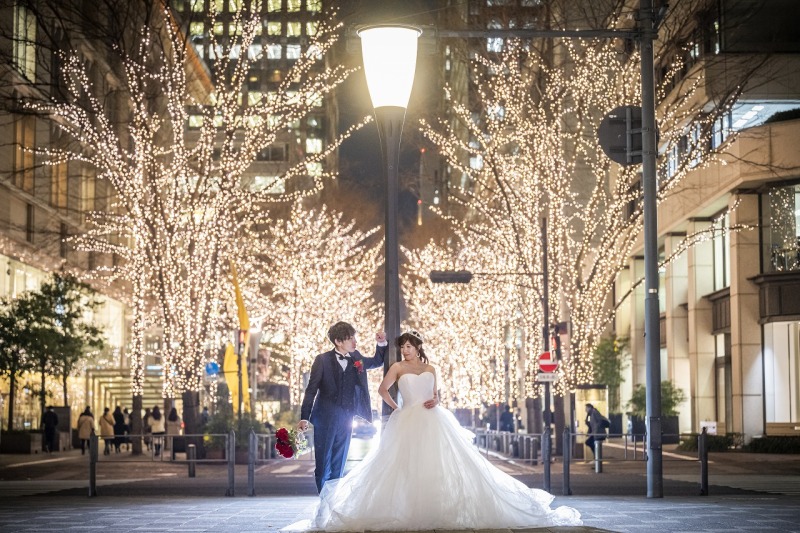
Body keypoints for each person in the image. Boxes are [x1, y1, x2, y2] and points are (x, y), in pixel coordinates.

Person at [284, 330, 581, 531]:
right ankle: (347, 506)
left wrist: (437, 399)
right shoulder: (397, 368)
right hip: (407, 419)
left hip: (434, 418)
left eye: (409, 346)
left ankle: (442, 506)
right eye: (403, 346)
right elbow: (382, 389)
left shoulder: (431, 369)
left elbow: (435, 393)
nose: (406, 350)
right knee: (398, 466)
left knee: (443, 464)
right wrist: (397, 407)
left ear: (418, 348)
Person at [297, 322, 387, 493]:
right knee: (323, 464)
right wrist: (304, 417)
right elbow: (311, 390)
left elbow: (376, 361)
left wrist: (381, 344)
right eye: (350, 338)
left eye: (355, 337)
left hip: (347, 419)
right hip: (324, 419)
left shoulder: (356, 358)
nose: (355, 342)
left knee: (339, 464)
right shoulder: (322, 360)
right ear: (338, 341)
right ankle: (323, 499)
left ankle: (333, 501)